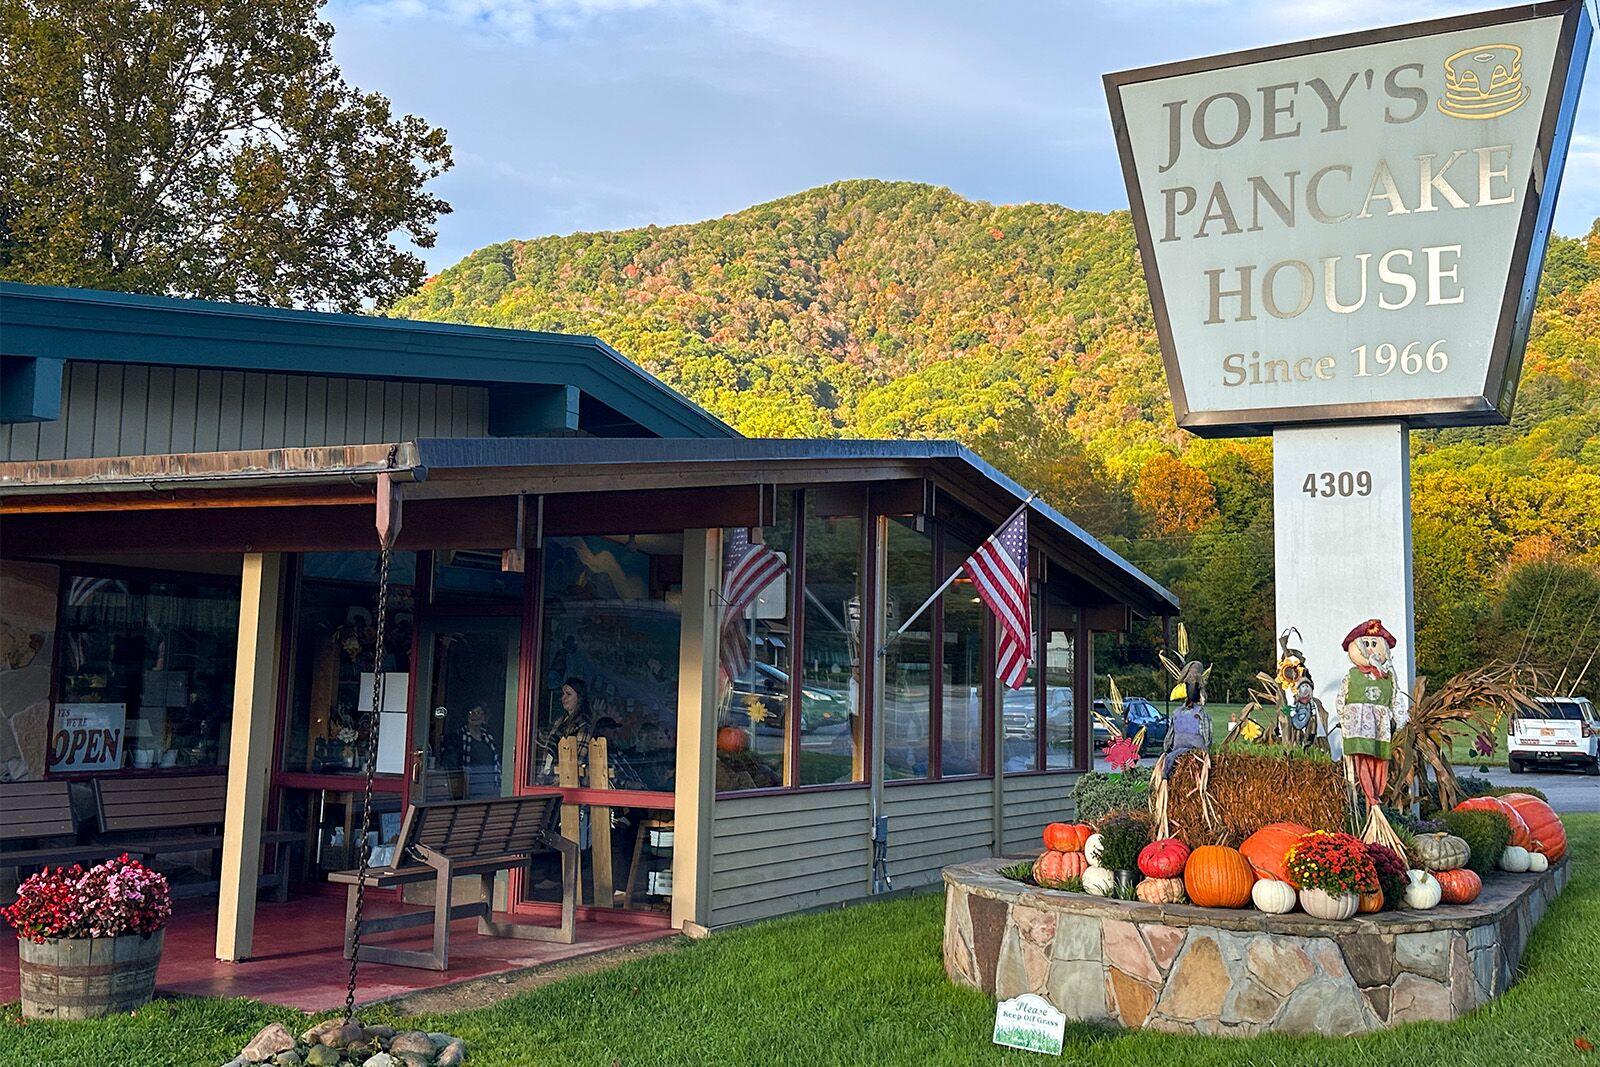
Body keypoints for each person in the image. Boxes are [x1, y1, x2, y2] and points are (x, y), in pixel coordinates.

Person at [459, 703, 501, 798]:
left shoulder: (489, 738)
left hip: (490, 787)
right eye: (471, 712)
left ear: (484, 717)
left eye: (478, 712)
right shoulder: (459, 737)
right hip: (471, 788)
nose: (474, 715)